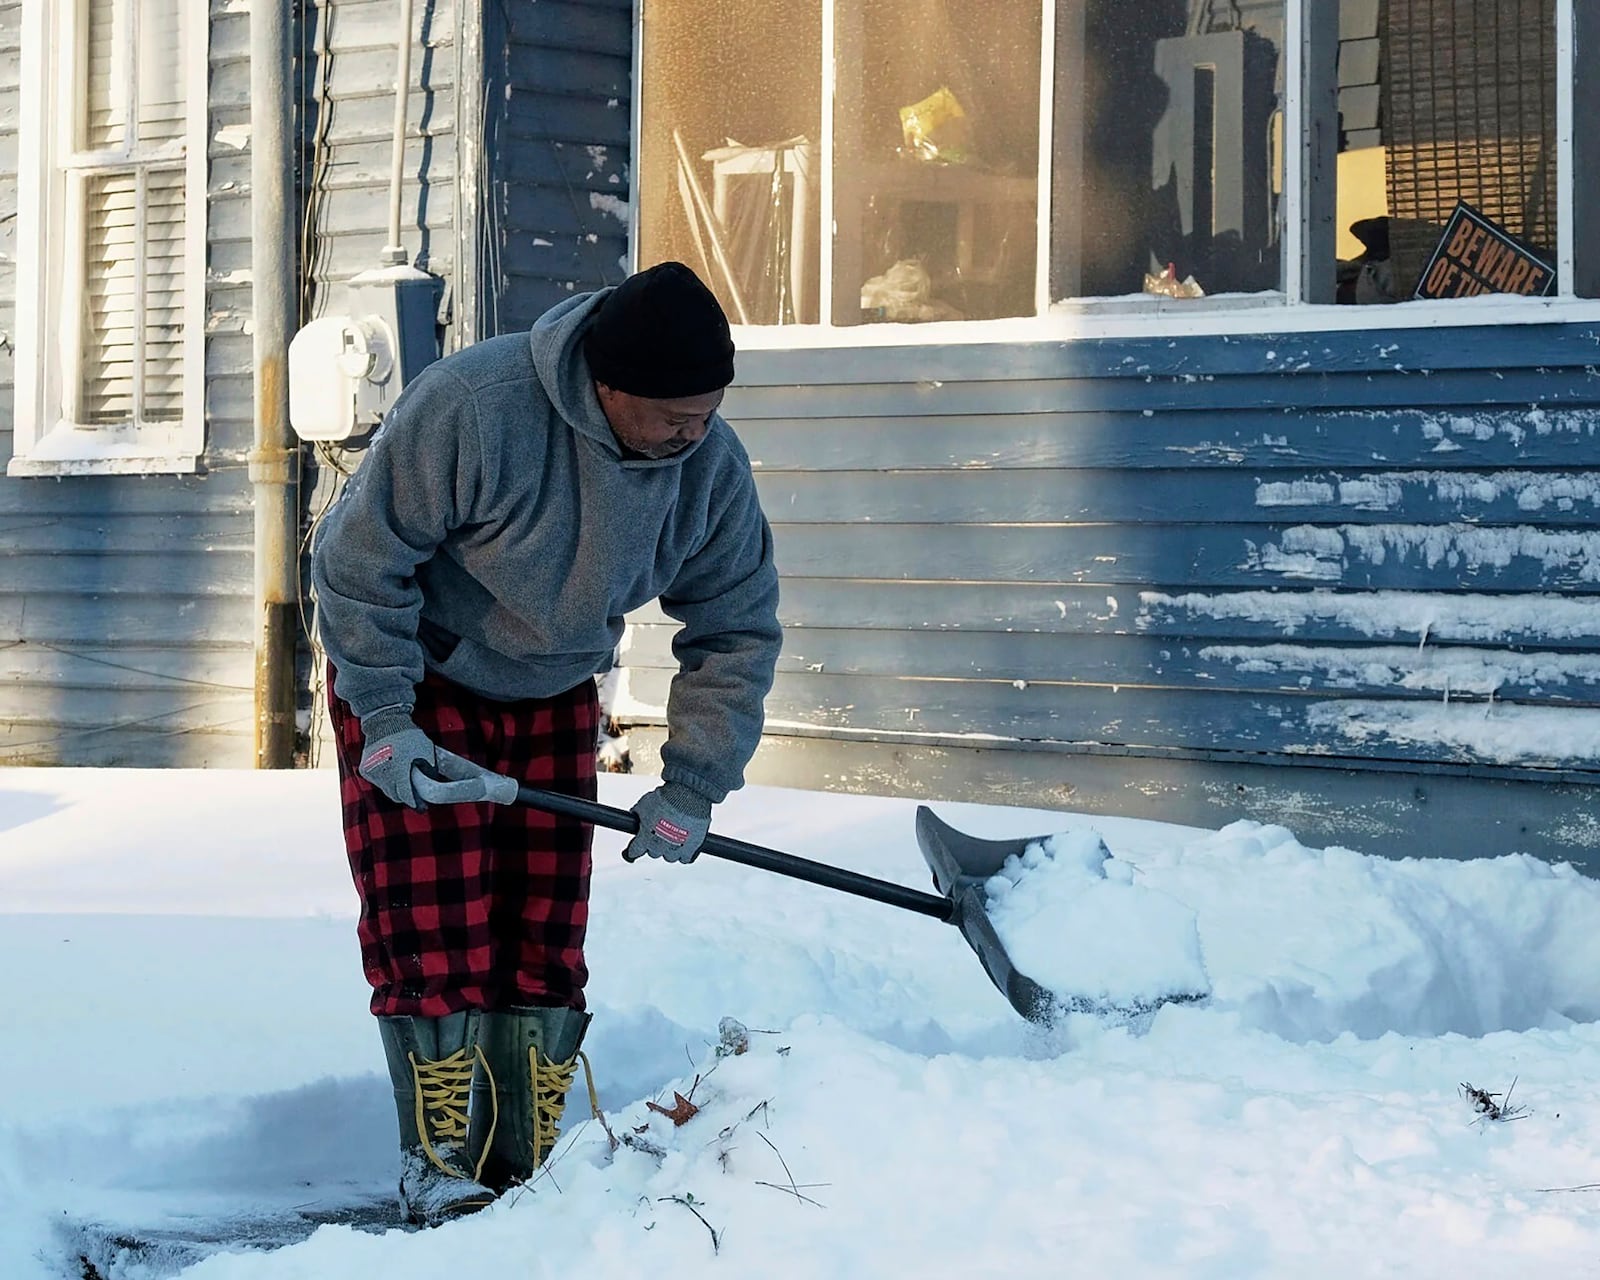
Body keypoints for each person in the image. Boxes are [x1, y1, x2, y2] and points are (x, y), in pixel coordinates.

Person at [311, 260, 782, 1225]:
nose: (695, 435)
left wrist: (692, 786)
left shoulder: (707, 469)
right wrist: (385, 724)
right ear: (609, 388)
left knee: (543, 936)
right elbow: (359, 565)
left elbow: (734, 628)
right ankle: (440, 1161)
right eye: (674, 417)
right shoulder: (476, 409)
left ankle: (524, 1160)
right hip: (418, 681)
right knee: (437, 932)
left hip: (554, 687)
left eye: (708, 412)